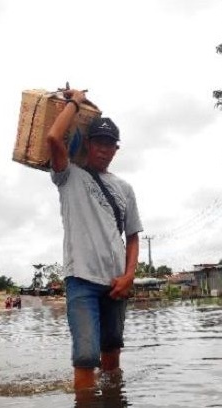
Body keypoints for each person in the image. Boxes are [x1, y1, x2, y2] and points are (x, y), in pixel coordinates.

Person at [46, 88, 143, 391]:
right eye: (98, 142)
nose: (103, 149)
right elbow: (52, 139)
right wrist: (75, 101)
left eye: (109, 144)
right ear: (87, 144)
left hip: (115, 283)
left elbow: (133, 237)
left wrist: (129, 276)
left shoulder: (125, 188)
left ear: (116, 149)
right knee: (86, 356)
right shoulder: (68, 175)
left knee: (112, 350)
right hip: (82, 279)